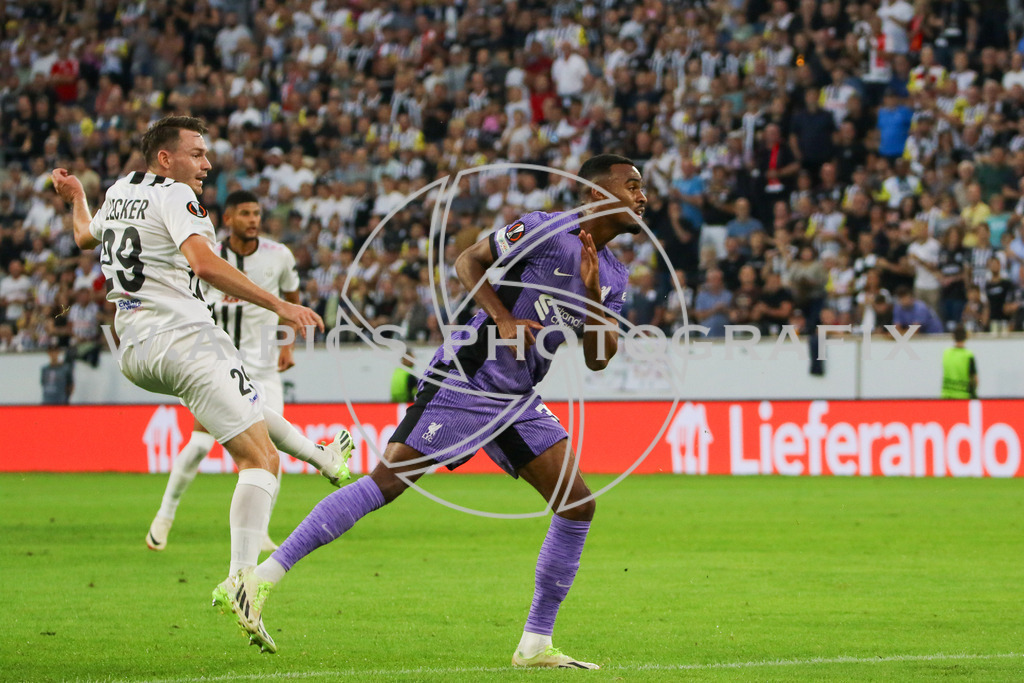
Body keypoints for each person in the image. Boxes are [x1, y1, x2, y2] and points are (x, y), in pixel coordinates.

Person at [221, 154, 645, 666]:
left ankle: (535, 643)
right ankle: (258, 578)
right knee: (388, 482)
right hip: (467, 376)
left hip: (516, 397)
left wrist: (597, 299)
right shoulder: (542, 231)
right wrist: (504, 317)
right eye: (632, 185)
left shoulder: (617, 275)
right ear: (597, 193)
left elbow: (600, 359)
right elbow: (468, 261)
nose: (643, 197)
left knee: (577, 506)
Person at [50, 116, 352, 648]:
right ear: (166, 159)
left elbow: (81, 235)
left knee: (247, 410)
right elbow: (204, 263)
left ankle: (325, 457)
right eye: (197, 153)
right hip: (183, 337)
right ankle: (242, 579)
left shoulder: (120, 191)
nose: (207, 164)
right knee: (260, 463)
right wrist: (280, 304)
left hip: (134, 347)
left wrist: (76, 194)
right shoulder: (174, 197)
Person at [146, 189, 304, 553]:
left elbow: (292, 302)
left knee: (272, 451)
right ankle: (164, 516)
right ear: (228, 218)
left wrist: (288, 344)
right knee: (199, 445)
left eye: (257, 213)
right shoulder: (207, 256)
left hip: (264, 369)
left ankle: (259, 531)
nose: (253, 220)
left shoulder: (279, 256)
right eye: (245, 213)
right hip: (218, 364)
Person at [941, 324, 977, 398]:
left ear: (953, 337)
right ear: (966, 337)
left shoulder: (946, 353)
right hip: (963, 396)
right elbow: (974, 378)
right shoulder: (968, 355)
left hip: (946, 395)